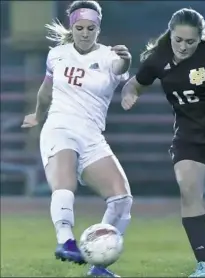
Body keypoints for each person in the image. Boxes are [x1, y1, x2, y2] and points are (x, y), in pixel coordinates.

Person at [121, 8, 205, 278]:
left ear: (200, 38)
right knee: (188, 190)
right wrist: (130, 93)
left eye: (190, 42)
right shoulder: (158, 59)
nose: (183, 46)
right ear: (170, 35)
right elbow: (135, 84)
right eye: (178, 40)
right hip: (189, 138)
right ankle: (203, 266)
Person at [21, 1, 132, 277]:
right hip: (60, 127)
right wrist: (37, 115)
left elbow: (121, 69)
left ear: (98, 28)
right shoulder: (57, 55)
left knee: (122, 199)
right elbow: (46, 92)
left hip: (92, 135)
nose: (85, 33)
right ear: (72, 27)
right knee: (65, 181)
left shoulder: (109, 56)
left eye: (90, 28)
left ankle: (98, 267)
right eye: (79, 28)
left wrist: (127, 61)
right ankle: (65, 241)